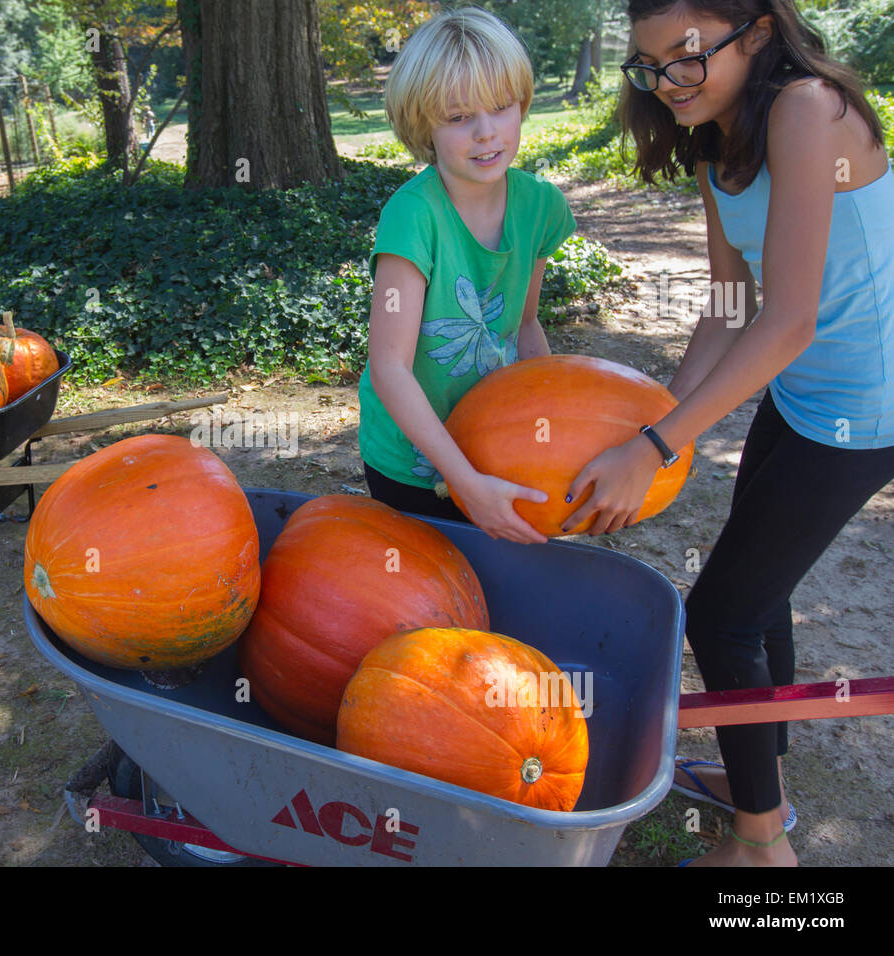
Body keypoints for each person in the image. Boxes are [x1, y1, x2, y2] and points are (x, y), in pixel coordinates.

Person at [566, 0, 894, 866]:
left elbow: (789, 321)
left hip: (867, 410)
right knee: (759, 595)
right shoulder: (718, 133)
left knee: (719, 614)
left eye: (684, 57)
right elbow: (728, 301)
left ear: (754, 33)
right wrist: (654, 420)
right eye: (648, 65)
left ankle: (760, 850)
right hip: (801, 399)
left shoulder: (808, 109)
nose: (664, 81)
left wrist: (657, 447)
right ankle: (765, 784)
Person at [358, 7, 576, 544]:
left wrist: (554, 433)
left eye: (501, 108)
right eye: (458, 117)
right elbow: (388, 367)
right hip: (411, 462)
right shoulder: (414, 215)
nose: (486, 133)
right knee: (434, 594)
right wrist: (464, 483)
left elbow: (525, 328)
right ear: (422, 126)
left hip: (494, 443)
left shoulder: (539, 204)